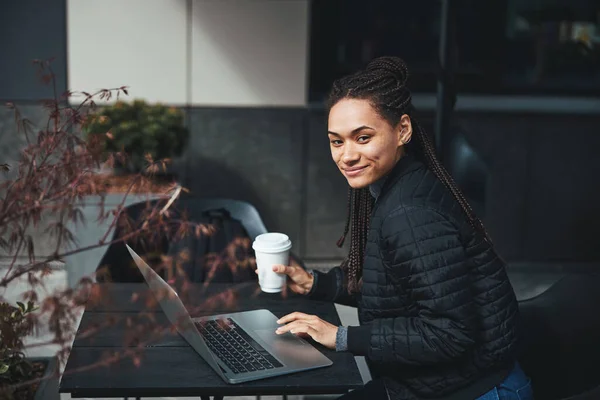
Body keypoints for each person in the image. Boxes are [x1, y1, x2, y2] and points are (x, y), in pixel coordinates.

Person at [272, 57, 533, 399]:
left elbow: (450, 333)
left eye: (362, 138)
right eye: (337, 141)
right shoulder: (396, 186)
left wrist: (340, 336)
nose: (346, 155)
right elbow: (391, 282)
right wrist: (317, 284)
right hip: (438, 382)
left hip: (479, 390)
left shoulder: (410, 213)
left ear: (403, 130)